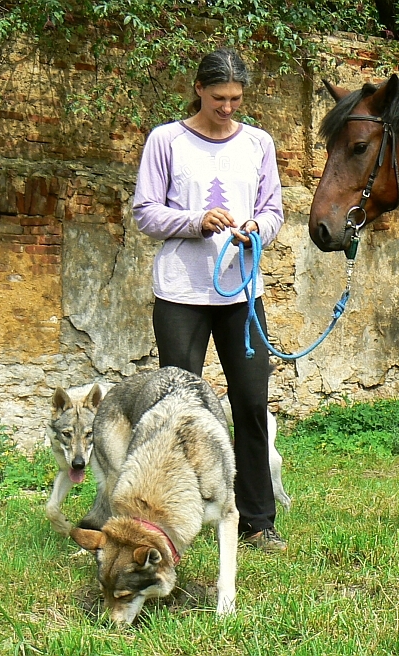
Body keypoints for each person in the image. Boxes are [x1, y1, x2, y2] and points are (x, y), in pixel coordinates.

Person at [132, 48, 286, 553]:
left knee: (251, 403)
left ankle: (259, 522)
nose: (227, 107)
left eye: (236, 98)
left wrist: (256, 230)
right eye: (219, 97)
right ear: (198, 88)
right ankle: (177, 513)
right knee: (178, 407)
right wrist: (195, 222)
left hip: (242, 293)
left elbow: (273, 210)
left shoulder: (259, 143)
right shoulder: (166, 140)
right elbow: (145, 212)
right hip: (180, 293)